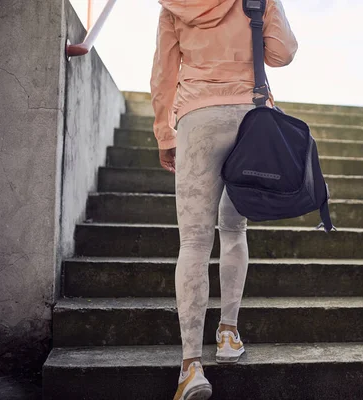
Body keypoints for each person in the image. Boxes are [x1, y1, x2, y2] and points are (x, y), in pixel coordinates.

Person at [150, 0, 297, 399]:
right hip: (250, 116)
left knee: (194, 243)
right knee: (234, 230)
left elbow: (163, 74)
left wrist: (165, 134)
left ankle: (191, 367)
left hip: (198, 119)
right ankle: (229, 334)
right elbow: (282, 54)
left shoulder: (174, 6)